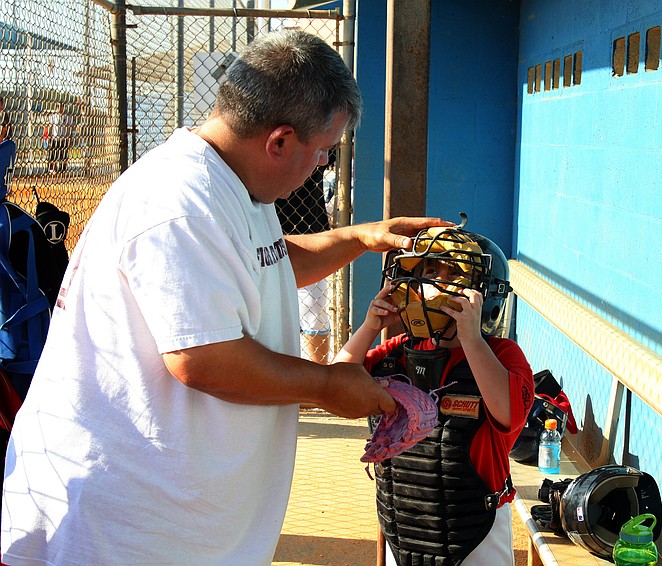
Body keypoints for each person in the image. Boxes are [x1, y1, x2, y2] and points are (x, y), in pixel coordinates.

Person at [1, 30, 450, 565]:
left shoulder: (234, 179)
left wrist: (360, 237)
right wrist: (330, 385)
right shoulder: (179, 201)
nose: (323, 167)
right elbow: (203, 359)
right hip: (124, 529)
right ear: (279, 141)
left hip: (176, 520)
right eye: (323, 152)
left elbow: (268, 261)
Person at [334, 223, 536, 565]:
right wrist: (369, 327)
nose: (430, 280)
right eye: (428, 269)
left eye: (448, 271)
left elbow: (509, 414)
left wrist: (471, 339)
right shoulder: (396, 352)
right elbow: (335, 387)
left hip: (475, 530)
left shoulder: (502, 354)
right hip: (405, 527)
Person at [276, 147, 337, 363]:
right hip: (274, 234)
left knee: (314, 309)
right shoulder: (273, 155)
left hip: (310, 233)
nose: (323, 159)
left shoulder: (318, 146)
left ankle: (319, 370)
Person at [46, 102, 72, 172]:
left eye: (61, 107)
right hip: (55, 138)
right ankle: (51, 169)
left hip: (64, 139)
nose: (60, 108)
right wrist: (49, 137)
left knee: (63, 156)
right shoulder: (53, 117)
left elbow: (69, 129)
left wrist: (70, 139)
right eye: (58, 107)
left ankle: (62, 169)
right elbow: (50, 127)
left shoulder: (67, 117)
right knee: (52, 154)